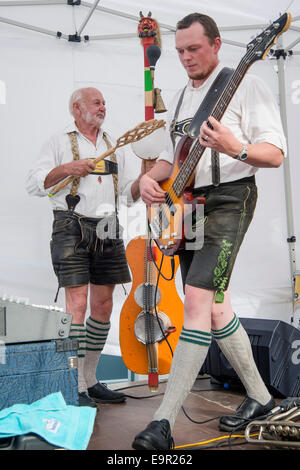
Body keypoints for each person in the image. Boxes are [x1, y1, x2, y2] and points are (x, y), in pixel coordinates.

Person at [132, 13, 286, 450]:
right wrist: (148, 180)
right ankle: (260, 398)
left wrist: (235, 146)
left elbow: (274, 154)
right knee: (216, 308)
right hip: (186, 207)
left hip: (231, 198)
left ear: (217, 45)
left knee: (198, 299)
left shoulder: (244, 84)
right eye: (179, 50)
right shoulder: (181, 97)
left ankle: (162, 422)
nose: (184, 57)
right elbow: (170, 156)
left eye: (193, 49)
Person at [26, 87, 146, 408]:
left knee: (103, 306)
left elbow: (128, 193)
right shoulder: (58, 141)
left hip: (108, 226)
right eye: (97, 102)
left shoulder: (115, 144)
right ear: (77, 108)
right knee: (76, 304)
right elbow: (34, 183)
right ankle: (72, 381)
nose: (103, 107)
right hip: (70, 224)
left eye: (105, 102)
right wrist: (68, 168)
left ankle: (90, 379)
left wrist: (147, 174)